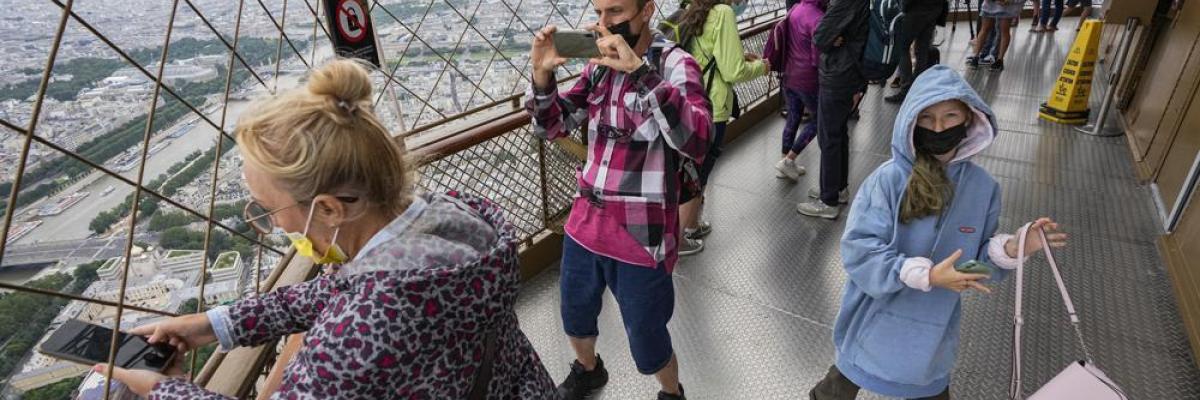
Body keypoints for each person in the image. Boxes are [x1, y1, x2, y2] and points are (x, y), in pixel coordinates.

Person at [95, 59, 558, 399]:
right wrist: (214, 325)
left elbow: (358, 305)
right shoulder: (459, 225)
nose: (273, 223)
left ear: (331, 210)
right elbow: (335, 293)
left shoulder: (364, 327)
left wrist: (166, 390)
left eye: (269, 208)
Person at [808, 65, 1069, 399]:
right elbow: (860, 250)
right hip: (872, 320)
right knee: (839, 387)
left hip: (931, 332)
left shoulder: (983, 188)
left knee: (929, 389)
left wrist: (1015, 247)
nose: (939, 127)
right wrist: (926, 274)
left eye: (950, 116)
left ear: (970, 120)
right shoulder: (887, 181)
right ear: (912, 123)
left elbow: (975, 263)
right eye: (927, 118)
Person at [525, 0, 712, 397]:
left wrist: (641, 74)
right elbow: (553, 124)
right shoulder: (597, 65)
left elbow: (698, 139)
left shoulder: (676, 65)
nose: (603, 24)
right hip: (585, 222)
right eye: (598, 12)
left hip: (641, 234)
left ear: (647, 10)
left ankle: (671, 391)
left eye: (615, 12)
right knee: (575, 315)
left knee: (647, 336)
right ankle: (588, 368)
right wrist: (542, 78)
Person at [674, 0, 770, 254]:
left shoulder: (695, 9)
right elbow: (732, 71)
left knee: (692, 168)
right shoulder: (723, 13)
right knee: (699, 172)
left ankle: (692, 225)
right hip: (711, 105)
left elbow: (709, 53)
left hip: (688, 99)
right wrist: (762, 66)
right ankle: (679, 238)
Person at [796, 0, 869, 220]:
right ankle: (838, 188)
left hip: (838, 74)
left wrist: (829, 36)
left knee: (829, 137)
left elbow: (820, 36)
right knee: (839, 134)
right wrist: (830, 36)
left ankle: (828, 201)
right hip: (850, 72)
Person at [766, 0, 826, 180]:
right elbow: (817, 57)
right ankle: (789, 161)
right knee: (819, 120)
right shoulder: (818, 18)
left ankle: (784, 160)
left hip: (789, 73)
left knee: (793, 116)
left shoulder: (795, 9)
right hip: (808, 79)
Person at [884, 0, 945, 103]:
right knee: (922, 50)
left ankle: (905, 90)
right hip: (934, 10)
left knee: (902, 47)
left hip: (914, 11)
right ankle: (918, 88)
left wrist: (903, 8)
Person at [969, 0, 1023, 71]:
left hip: (1007, 6)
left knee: (1004, 30)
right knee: (985, 28)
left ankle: (999, 60)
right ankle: (976, 56)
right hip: (990, 4)